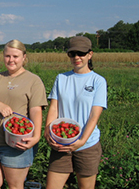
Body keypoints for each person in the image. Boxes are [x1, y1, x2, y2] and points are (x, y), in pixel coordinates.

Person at [0, 39, 48, 189]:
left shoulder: (33, 81)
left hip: (16, 143)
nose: (11, 60)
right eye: (7, 56)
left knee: (15, 186)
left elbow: (36, 110)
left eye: (15, 56)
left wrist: (36, 136)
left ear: (24, 57)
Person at [44, 36, 107, 189]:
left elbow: (94, 116)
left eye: (81, 53)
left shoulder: (98, 81)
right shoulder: (62, 78)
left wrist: (82, 141)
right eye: (72, 54)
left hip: (87, 145)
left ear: (90, 54)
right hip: (61, 143)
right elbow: (54, 108)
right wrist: (48, 131)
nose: (77, 57)